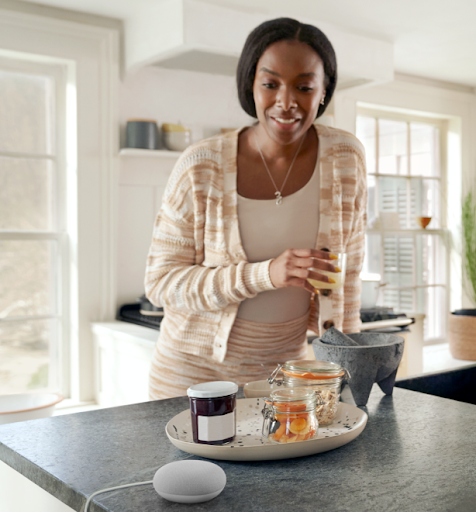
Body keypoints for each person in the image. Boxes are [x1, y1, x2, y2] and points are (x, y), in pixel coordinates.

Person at [145, 17, 367, 399]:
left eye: (304, 86)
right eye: (270, 84)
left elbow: (348, 276)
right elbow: (160, 283)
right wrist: (266, 274)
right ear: (251, 84)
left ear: (323, 91)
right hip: (191, 375)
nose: (286, 101)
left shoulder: (346, 157)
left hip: (289, 378)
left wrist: (349, 377)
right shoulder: (201, 165)